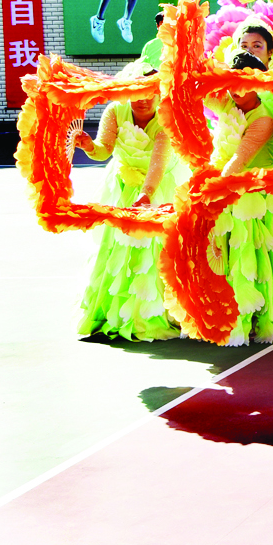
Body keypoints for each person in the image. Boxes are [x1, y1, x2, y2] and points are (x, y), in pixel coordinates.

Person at [74, 63, 182, 340]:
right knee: (116, 249)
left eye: (149, 92)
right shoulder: (114, 111)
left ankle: (154, 313)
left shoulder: (166, 115)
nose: (143, 99)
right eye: (136, 92)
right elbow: (104, 151)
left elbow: (159, 162)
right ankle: (112, 312)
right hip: (121, 187)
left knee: (153, 250)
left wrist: (146, 195)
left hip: (158, 189)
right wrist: (88, 145)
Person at [206, 50, 273, 344]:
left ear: (258, 84)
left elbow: (239, 160)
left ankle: (252, 320)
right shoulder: (227, 104)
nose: (236, 90)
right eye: (232, 82)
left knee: (250, 263)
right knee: (224, 258)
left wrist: (210, 193)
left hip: (254, 199)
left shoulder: (264, 120)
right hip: (225, 190)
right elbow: (199, 89)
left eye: (245, 83)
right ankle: (223, 316)